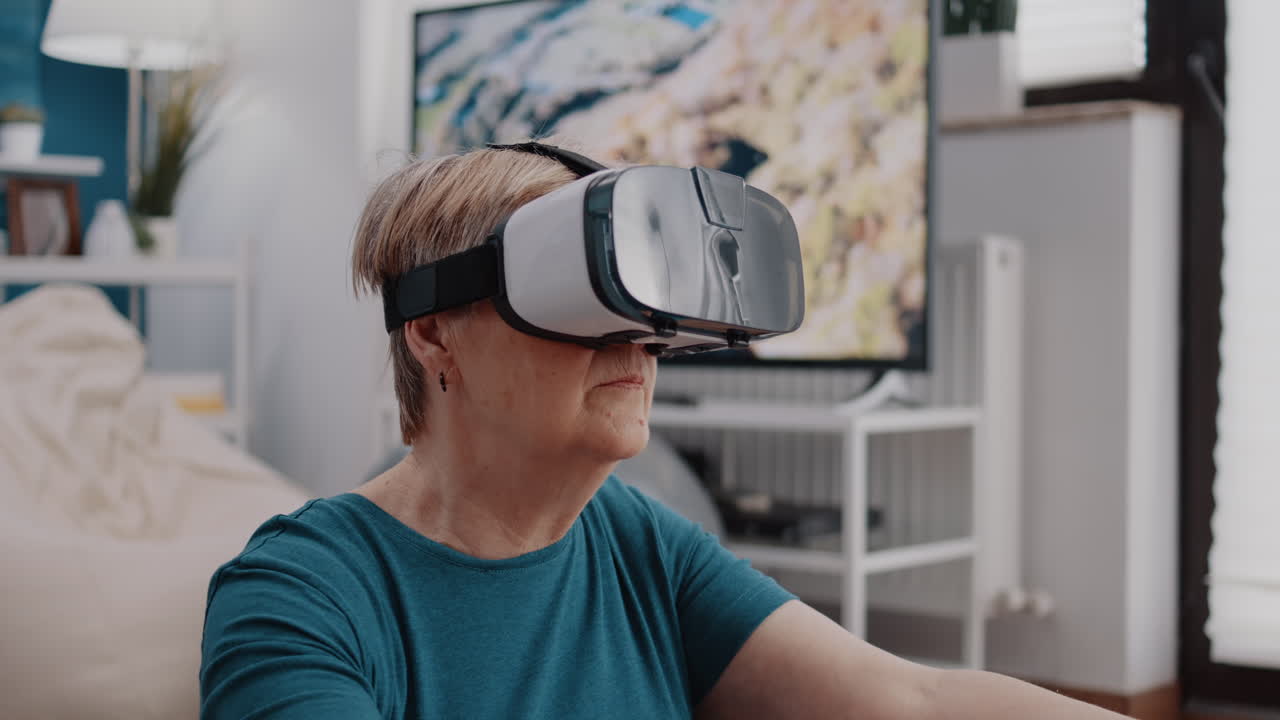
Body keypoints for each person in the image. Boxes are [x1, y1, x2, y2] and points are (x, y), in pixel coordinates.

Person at [200, 146, 1125, 719]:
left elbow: (907, 699)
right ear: (434, 329)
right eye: (575, 285)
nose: (637, 335)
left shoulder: (638, 544)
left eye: (637, 286)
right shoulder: (300, 595)